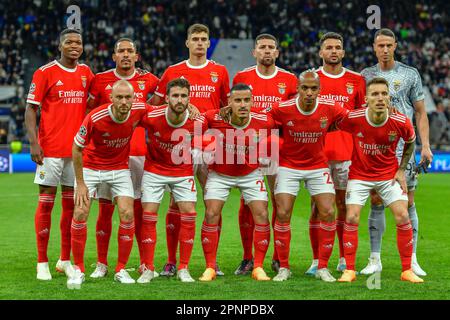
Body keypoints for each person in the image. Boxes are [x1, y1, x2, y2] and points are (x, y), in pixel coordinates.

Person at [152, 23, 230, 277]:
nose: (199, 42)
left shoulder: (220, 71)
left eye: (203, 39)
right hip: (181, 145)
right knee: (176, 203)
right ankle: (172, 261)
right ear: (187, 43)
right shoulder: (174, 71)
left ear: (209, 43)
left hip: (209, 145)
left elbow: (225, 110)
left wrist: (205, 114)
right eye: (194, 38)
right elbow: (155, 105)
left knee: (212, 204)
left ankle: (212, 261)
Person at [359, 28, 433, 276]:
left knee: (408, 202)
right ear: (374, 47)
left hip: (405, 149)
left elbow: (421, 112)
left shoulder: (410, 74)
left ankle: (411, 259)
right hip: (376, 149)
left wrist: (426, 145)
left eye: (389, 45)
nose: (385, 49)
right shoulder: (366, 75)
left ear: (396, 46)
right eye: (380, 45)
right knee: (377, 201)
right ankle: (375, 259)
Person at [336, 77, 423, 283]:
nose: (380, 98)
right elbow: (333, 125)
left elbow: (410, 142)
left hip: (388, 175)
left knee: (403, 215)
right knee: (351, 217)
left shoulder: (400, 121)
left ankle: (406, 270)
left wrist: (401, 170)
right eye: (375, 94)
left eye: (384, 94)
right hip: (359, 175)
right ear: (366, 99)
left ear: (389, 98)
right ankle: (349, 269)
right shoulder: (354, 118)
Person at [24, 28, 93, 281]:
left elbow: (98, 99)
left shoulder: (86, 73)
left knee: (70, 207)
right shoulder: (45, 73)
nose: (75, 46)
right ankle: (42, 262)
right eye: (69, 42)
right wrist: (34, 142)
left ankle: (64, 260)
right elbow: (31, 110)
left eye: (79, 42)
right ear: (60, 46)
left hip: (75, 153)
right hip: (50, 150)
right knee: (45, 203)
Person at [87, 38, 159, 278]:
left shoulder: (149, 80)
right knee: (105, 211)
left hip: (138, 155)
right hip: (107, 157)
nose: (126, 55)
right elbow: (90, 114)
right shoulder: (100, 80)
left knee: (135, 212)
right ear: (114, 56)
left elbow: (161, 106)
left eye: (130, 51)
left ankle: (143, 263)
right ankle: (101, 263)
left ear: (137, 56)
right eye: (121, 51)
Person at [67, 80, 147, 289]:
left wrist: (191, 108)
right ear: (111, 98)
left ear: (134, 99)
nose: (123, 101)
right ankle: (78, 269)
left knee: (127, 214)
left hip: (119, 169)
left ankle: (120, 269)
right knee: (80, 213)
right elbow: (76, 149)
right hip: (91, 168)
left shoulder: (139, 111)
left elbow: (163, 112)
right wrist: (82, 183)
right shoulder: (95, 117)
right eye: (119, 97)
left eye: (127, 97)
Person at [269, 70, 348, 282]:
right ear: (298, 89)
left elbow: (351, 119)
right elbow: (262, 121)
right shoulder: (282, 108)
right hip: (289, 166)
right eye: (305, 88)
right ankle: (283, 267)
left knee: (328, 212)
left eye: (314, 88)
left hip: (317, 166)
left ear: (319, 90)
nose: (309, 92)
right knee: (283, 213)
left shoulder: (329, 107)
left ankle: (322, 267)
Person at [231, 33, 298, 275]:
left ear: (277, 52)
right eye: (262, 47)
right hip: (248, 147)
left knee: (280, 202)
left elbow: (294, 116)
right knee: (248, 203)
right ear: (254, 51)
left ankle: (279, 257)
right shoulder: (242, 77)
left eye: (271, 47)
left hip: (278, 147)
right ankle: (248, 258)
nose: (267, 51)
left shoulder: (289, 80)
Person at [198, 83, 274, 282]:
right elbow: (198, 121)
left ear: (252, 101)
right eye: (238, 100)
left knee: (262, 214)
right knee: (211, 213)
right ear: (229, 102)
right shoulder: (214, 117)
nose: (242, 104)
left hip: (250, 173)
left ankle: (258, 266)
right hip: (220, 173)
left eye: (246, 100)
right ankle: (210, 267)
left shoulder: (264, 121)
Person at [306, 32, 366, 275]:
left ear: (343, 52)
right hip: (316, 155)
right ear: (320, 52)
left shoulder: (356, 80)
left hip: (346, 154)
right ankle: (315, 260)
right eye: (328, 47)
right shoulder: (311, 79)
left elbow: (363, 118)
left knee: (342, 205)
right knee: (316, 207)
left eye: (337, 47)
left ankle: (342, 257)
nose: (333, 51)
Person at [137, 78, 207, 283]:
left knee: (189, 213)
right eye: (175, 95)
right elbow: (130, 112)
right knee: (149, 213)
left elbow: (218, 120)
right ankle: (148, 268)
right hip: (154, 169)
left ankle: (183, 268)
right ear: (166, 98)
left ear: (189, 99)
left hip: (182, 171)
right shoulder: (151, 115)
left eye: (184, 96)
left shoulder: (198, 121)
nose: (179, 99)